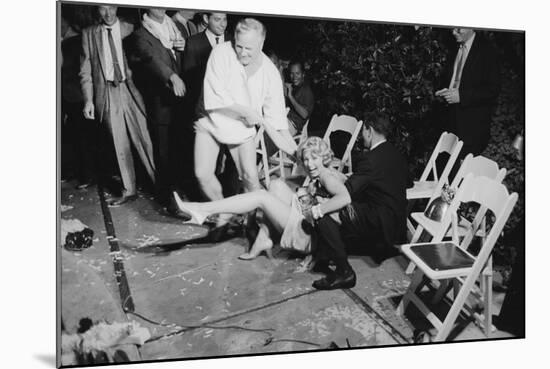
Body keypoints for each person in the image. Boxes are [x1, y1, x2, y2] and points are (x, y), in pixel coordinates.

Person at [173, 136, 347, 259]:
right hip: (306, 219)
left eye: (314, 158)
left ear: (324, 157)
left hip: (308, 235)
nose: (309, 164)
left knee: (261, 197)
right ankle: (263, 240)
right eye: (306, 159)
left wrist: (316, 210)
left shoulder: (327, 177)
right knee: (276, 185)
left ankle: (202, 209)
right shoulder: (324, 173)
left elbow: (345, 198)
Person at [193, 18, 297, 210]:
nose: (242, 52)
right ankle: (224, 214)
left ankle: (250, 222)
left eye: (248, 48)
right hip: (211, 118)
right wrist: (247, 111)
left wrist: (298, 153)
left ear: (261, 43)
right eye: (238, 46)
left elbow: (278, 126)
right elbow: (215, 99)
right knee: (202, 174)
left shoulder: (270, 74)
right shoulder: (220, 53)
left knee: (250, 177)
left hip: (241, 128)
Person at [311, 113, 409, 290]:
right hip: (397, 222)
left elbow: (346, 194)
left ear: (369, 130)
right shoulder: (395, 153)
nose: (361, 135)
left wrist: (319, 208)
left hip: (379, 221)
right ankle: (325, 255)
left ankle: (344, 272)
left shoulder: (370, 159)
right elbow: (404, 181)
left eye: (363, 131)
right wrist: (350, 177)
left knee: (325, 214)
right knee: (338, 206)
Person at [80, 5, 156, 206]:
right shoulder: (89, 34)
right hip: (107, 91)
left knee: (146, 139)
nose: (108, 13)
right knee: (119, 143)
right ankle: (129, 189)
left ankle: (160, 185)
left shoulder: (131, 28)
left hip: (132, 90)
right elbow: (85, 69)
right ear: (97, 9)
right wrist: (88, 99)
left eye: (111, 7)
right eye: (103, 8)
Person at [130, 8, 186, 207]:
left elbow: (184, 58)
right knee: (163, 152)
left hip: (182, 99)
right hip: (161, 102)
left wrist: (183, 47)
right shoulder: (140, 35)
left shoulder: (176, 27)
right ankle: (167, 197)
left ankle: (182, 192)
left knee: (181, 147)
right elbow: (150, 58)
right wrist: (171, 76)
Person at [435, 28, 500, 159]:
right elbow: (453, 78)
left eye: (459, 29)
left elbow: (493, 90)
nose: (454, 32)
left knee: (464, 171)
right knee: (447, 167)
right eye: (452, 28)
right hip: (450, 119)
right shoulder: (454, 48)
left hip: (472, 126)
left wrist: (462, 96)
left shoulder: (488, 51)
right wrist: (445, 90)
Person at [284, 60, 314, 136]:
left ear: (303, 74)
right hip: (285, 120)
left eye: (297, 73)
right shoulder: (295, 87)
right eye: (292, 73)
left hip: (292, 126)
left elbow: (304, 114)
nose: (294, 77)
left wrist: (290, 97)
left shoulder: (306, 90)